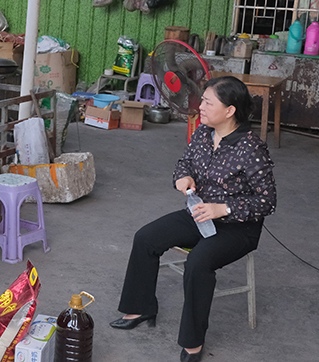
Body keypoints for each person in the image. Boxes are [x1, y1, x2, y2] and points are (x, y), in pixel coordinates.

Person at [109, 76, 276, 362]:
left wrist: (222, 208)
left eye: (209, 103)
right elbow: (185, 162)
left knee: (198, 262)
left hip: (237, 228)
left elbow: (267, 201)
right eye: (203, 101)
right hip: (199, 214)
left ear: (230, 110)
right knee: (146, 238)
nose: (201, 107)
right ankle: (141, 308)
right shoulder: (203, 133)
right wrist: (182, 177)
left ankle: (193, 343)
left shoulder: (251, 148)